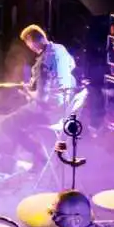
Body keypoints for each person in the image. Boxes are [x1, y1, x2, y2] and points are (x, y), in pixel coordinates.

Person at [6, 24, 77, 170]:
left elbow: (42, 99)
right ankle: (27, 159)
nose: (28, 47)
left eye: (27, 43)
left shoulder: (42, 63)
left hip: (50, 113)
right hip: (65, 107)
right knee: (22, 116)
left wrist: (27, 92)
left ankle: (39, 154)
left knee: (8, 124)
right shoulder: (60, 49)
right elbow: (72, 65)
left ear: (31, 40)